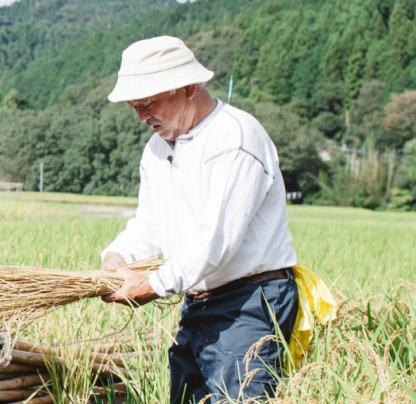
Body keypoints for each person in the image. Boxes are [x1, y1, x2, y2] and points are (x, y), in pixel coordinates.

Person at [98, 36, 299, 404]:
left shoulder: (234, 138)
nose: (142, 117)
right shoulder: (158, 148)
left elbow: (216, 239)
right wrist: (118, 256)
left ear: (188, 87)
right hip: (198, 298)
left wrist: (154, 284)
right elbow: (150, 222)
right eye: (135, 107)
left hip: (248, 300)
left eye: (148, 103)